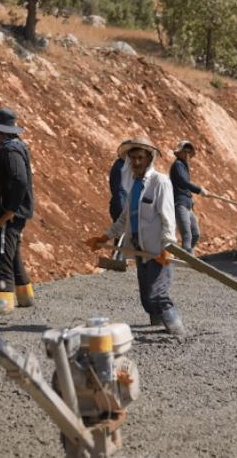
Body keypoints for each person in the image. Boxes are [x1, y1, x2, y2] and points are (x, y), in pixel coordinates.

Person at [86, 137, 186, 335]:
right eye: (133, 158)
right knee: (147, 298)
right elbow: (124, 220)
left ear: (150, 159)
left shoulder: (160, 182)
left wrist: (168, 248)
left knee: (160, 294)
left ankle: (178, 331)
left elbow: (168, 218)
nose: (136, 162)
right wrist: (103, 238)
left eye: (140, 157)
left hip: (158, 251)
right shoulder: (134, 187)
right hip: (140, 251)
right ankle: (157, 323)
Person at [0, 107, 35, 315]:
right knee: (13, 255)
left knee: (3, 256)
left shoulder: (9, 150)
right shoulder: (15, 146)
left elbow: (19, 180)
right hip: (8, 211)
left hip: (8, 214)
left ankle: (5, 302)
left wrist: (10, 211)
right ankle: (25, 295)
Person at [169, 140, 207, 253]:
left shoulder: (184, 166)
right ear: (179, 152)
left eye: (189, 152)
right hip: (179, 203)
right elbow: (183, 182)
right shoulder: (178, 165)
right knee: (187, 235)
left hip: (187, 205)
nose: (187, 154)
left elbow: (185, 186)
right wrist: (199, 190)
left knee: (195, 234)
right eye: (184, 151)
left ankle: (186, 256)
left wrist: (192, 200)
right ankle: (188, 261)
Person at [108, 152, 127, 261]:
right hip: (119, 205)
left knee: (121, 234)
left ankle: (117, 258)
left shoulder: (122, 166)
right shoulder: (120, 167)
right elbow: (120, 191)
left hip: (119, 204)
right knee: (122, 234)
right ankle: (118, 259)